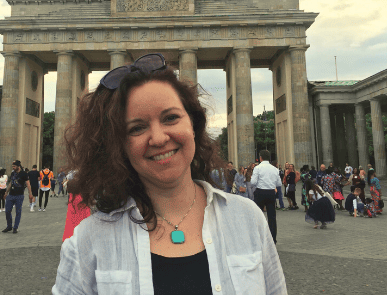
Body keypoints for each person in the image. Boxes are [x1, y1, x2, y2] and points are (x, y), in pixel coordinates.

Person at [52, 53, 285, 294]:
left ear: (193, 124)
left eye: (171, 118)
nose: (159, 138)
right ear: (119, 145)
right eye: (137, 128)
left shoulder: (248, 219)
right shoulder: (87, 242)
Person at [250, 150, 282, 243]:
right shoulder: (275, 169)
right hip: (271, 193)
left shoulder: (258, 168)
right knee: (272, 217)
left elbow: (253, 182)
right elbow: (279, 183)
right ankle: (273, 239)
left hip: (260, 192)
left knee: (258, 215)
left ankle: (257, 238)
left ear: (260, 158)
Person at [2, 160, 33, 234]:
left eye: (14, 166)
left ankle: (15, 227)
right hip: (11, 195)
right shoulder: (13, 173)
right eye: (12, 166)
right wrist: (6, 192)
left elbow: (28, 184)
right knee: (7, 211)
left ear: (18, 166)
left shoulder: (24, 174)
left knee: (18, 212)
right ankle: (9, 226)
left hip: (19, 195)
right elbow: (10, 183)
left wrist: (30, 194)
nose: (13, 167)